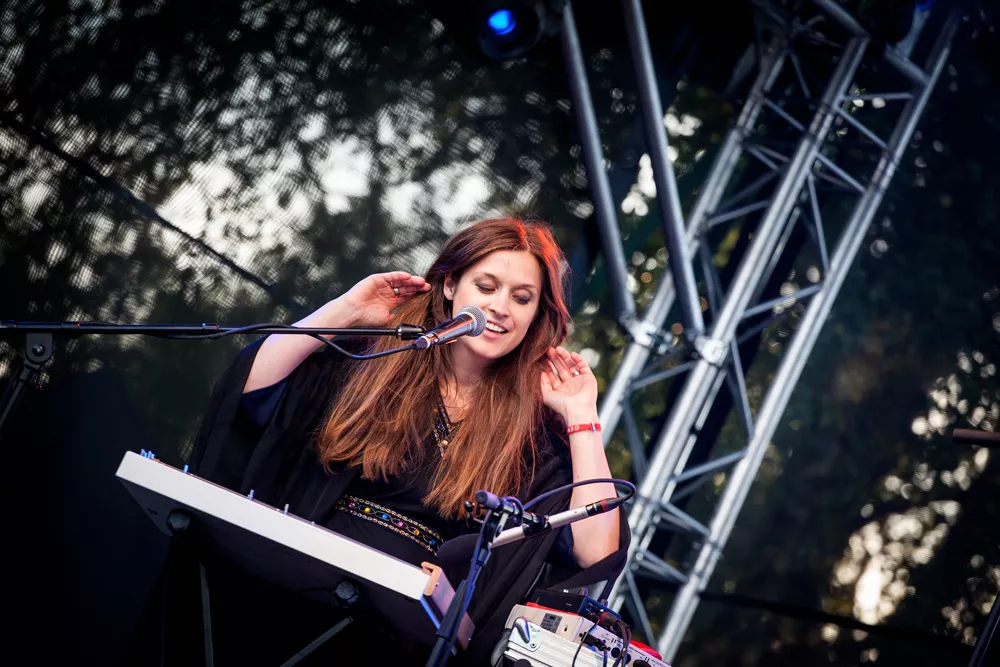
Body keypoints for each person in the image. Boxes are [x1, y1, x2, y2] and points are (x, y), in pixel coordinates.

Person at [184, 217, 630, 665]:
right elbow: (249, 390)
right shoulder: (374, 365)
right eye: (486, 287)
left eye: (522, 298)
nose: (500, 307)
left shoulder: (532, 438)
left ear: (535, 316)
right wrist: (344, 311)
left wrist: (581, 415)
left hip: (400, 641)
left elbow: (596, 550)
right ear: (450, 285)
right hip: (290, 592)